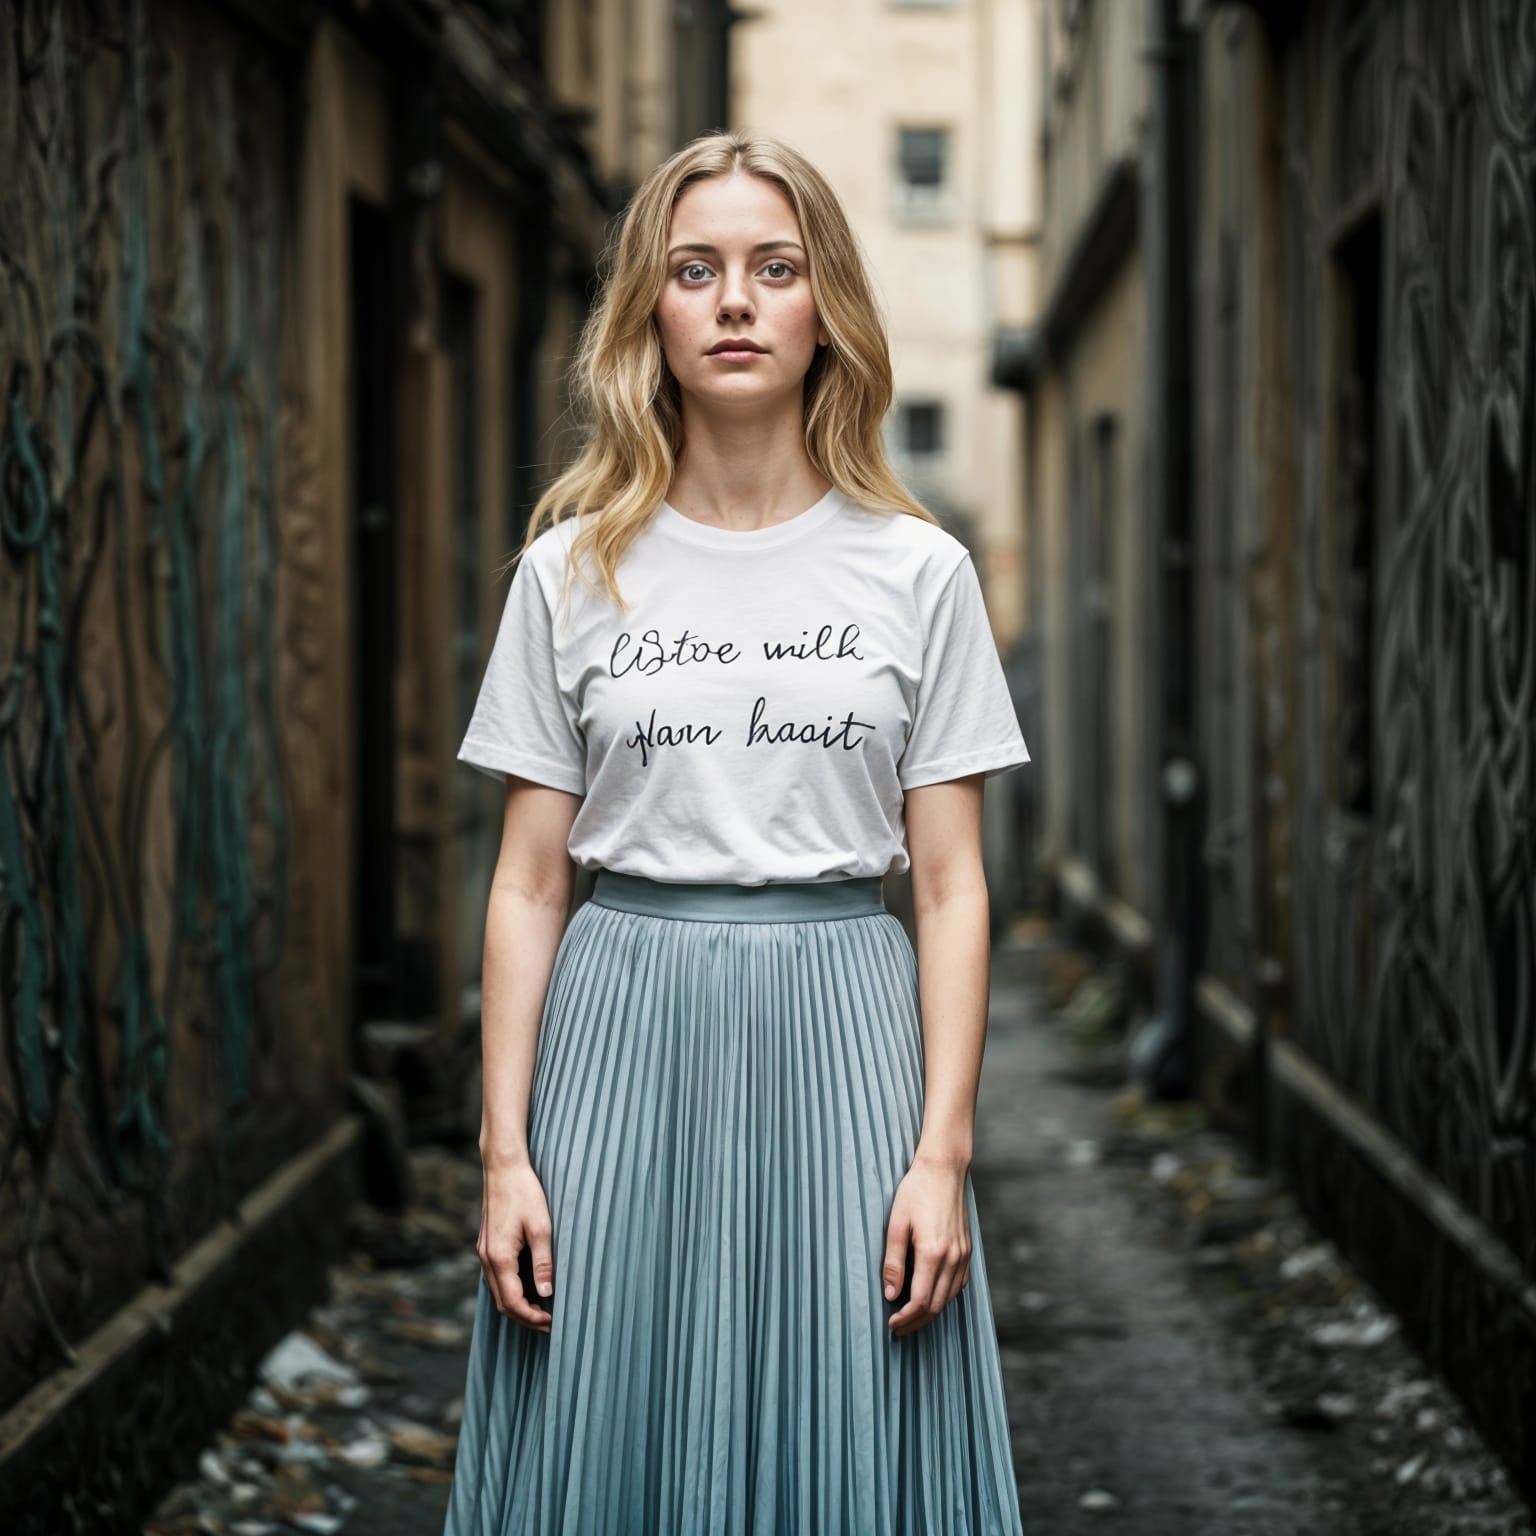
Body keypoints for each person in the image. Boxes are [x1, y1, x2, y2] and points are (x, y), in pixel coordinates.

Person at [442, 129, 1029, 1536]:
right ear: (650, 306)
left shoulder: (920, 572)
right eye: (695, 270)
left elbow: (949, 890)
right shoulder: (569, 568)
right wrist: (506, 1151)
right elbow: (529, 884)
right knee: (611, 1436)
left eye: (775, 268)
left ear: (826, 303)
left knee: (848, 1436)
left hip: (843, 1030)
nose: (736, 301)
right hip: (622, 1031)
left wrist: (941, 1155)